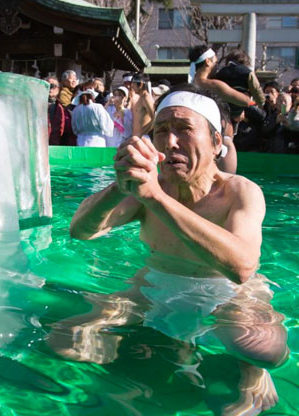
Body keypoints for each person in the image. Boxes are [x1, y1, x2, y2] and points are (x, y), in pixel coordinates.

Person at [53, 84, 288, 415]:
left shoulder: (240, 192)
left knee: (266, 352)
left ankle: (251, 372)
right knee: (66, 339)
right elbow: (80, 231)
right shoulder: (149, 188)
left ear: (217, 142)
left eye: (184, 130)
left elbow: (243, 266)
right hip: (155, 283)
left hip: (230, 293)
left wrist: (155, 199)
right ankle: (143, 364)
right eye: (161, 131)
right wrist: (121, 185)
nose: (170, 141)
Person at [130, 73, 155, 137]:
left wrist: (143, 133)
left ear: (140, 84)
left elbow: (155, 118)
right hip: (137, 137)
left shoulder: (146, 98)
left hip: (143, 138)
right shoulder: (140, 98)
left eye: (133, 84)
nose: (132, 86)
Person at [46, 75, 66, 146]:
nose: (49, 88)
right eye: (46, 85)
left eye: (52, 86)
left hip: (54, 142)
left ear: (58, 89)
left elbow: (62, 128)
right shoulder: (36, 103)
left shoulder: (60, 106)